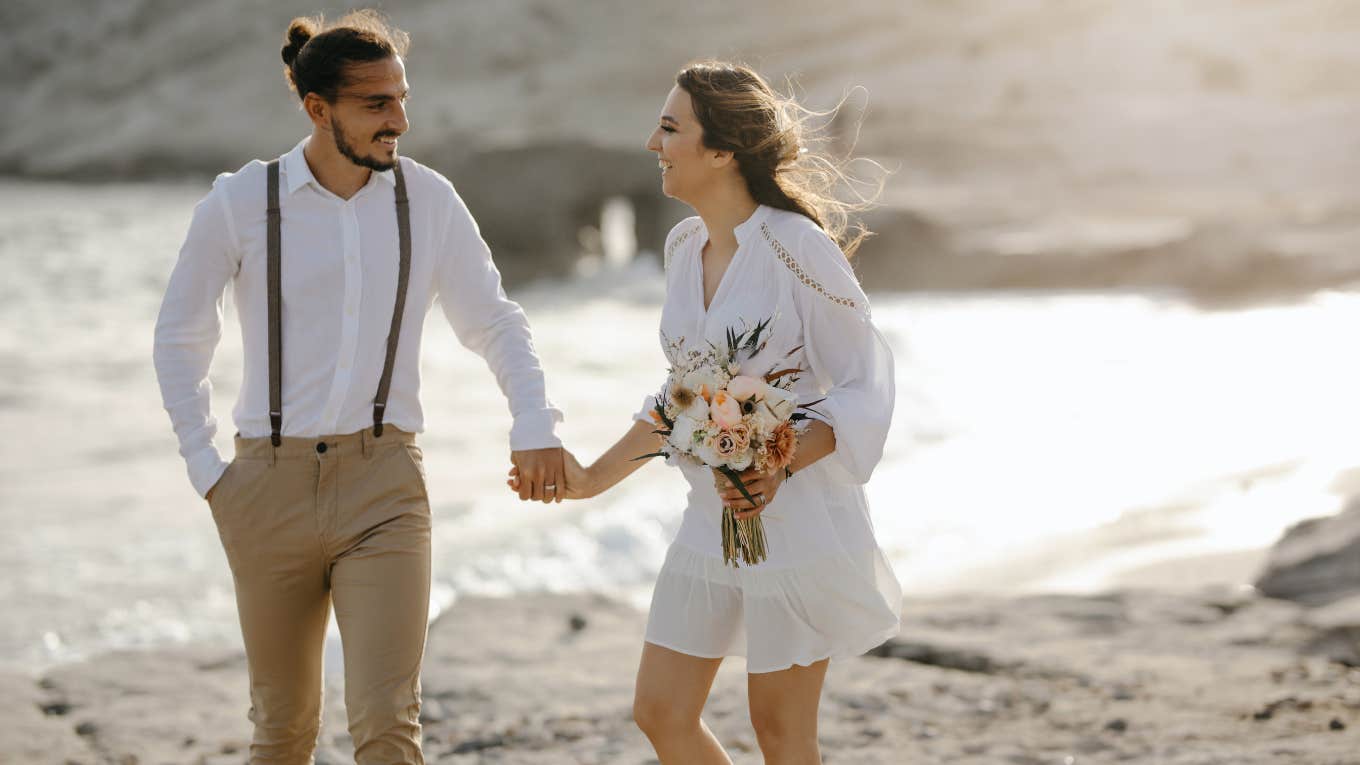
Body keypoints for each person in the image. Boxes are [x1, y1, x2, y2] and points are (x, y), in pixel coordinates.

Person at [152, 11, 565, 762]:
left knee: (386, 727)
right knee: (282, 731)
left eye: (401, 100)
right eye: (376, 104)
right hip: (263, 488)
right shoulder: (242, 202)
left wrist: (533, 419)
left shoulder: (430, 201)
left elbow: (496, 322)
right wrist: (208, 469)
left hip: (385, 487)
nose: (398, 120)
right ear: (319, 110)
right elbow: (181, 334)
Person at [510, 61, 902, 764]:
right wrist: (591, 478)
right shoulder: (684, 246)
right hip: (707, 519)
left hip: (797, 524)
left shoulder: (797, 248)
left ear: (721, 150)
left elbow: (864, 386)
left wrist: (778, 459)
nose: (652, 143)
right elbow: (683, 394)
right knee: (661, 711)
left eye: (669, 128)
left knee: (782, 735)